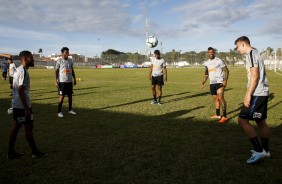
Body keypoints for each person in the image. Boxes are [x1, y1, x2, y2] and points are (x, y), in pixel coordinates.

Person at [235, 36, 270, 164]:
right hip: (262, 92)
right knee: (261, 122)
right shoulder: (255, 53)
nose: (237, 50)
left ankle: (259, 150)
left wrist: (248, 94)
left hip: (257, 93)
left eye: (238, 47)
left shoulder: (250, 54)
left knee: (242, 120)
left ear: (243, 44)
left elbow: (255, 75)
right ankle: (265, 151)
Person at [8, 50, 46, 159]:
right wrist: (27, 109)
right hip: (22, 106)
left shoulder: (19, 70)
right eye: (31, 58)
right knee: (28, 127)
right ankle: (34, 152)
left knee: (16, 127)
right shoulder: (23, 71)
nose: (33, 60)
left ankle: (11, 152)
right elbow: (20, 90)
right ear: (25, 59)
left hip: (17, 105)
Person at [200, 47, 229, 123]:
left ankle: (225, 116)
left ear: (214, 53)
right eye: (209, 52)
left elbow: (226, 71)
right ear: (208, 53)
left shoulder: (219, 60)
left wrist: (225, 80)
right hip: (212, 83)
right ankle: (218, 115)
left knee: (220, 96)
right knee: (215, 99)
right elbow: (206, 74)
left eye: (212, 52)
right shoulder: (206, 63)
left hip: (220, 81)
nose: (210, 54)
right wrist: (203, 82)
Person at [55, 47, 77, 117]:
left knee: (70, 96)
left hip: (69, 81)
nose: (67, 54)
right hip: (62, 81)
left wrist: (74, 79)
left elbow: (72, 70)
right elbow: (56, 71)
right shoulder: (59, 61)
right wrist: (56, 80)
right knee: (61, 97)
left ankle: (70, 110)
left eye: (68, 52)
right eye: (66, 53)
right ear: (62, 53)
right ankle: (59, 112)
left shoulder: (70, 61)